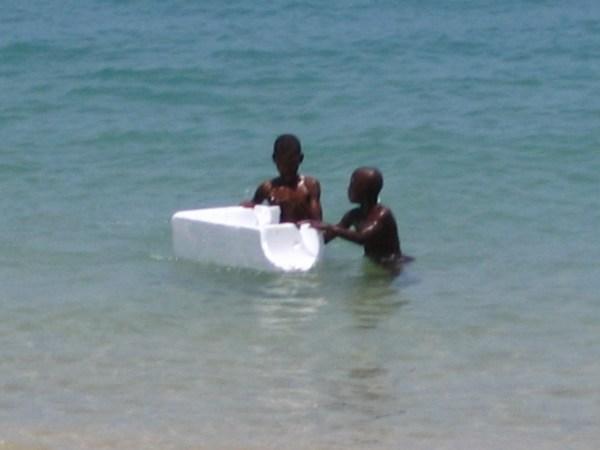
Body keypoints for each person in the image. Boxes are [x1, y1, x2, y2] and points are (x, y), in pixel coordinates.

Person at [311, 167, 412, 271]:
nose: (348, 188)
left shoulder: (382, 214)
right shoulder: (354, 214)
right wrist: (307, 239)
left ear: (364, 190)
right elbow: (329, 236)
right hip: (376, 263)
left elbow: (362, 238)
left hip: (394, 263)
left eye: (353, 184)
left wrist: (330, 227)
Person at [242, 134, 322, 224]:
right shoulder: (267, 188)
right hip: (279, 235)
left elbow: (317, 222)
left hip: (304, 235)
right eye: (283, 164)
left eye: (291, 164)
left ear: (300, 159)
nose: (287, 168)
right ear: (274, 159)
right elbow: (253, 208)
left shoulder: (310, 186)